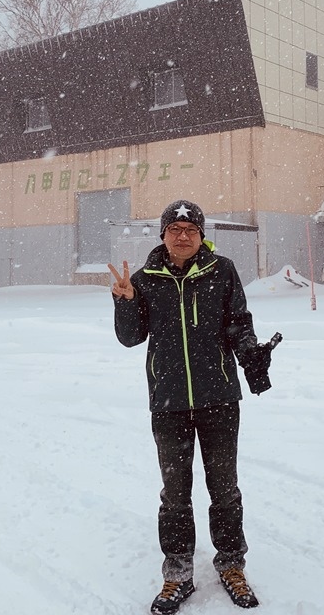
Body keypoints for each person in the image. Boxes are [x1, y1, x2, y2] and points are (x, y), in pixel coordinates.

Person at [109, 199, 269, 613]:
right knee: (175, 495)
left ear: (201, 236)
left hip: (219, 400)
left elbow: (239, 323)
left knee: (225, 491)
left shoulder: (222, 271)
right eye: (175, 229)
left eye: (191, 230)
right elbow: (131, 338)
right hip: (169, 403)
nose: (183, 236)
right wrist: (126, 301)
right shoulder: (145, 279)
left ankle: (231, 565)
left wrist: (252, 356)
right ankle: (178, 574)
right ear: (162, 235)